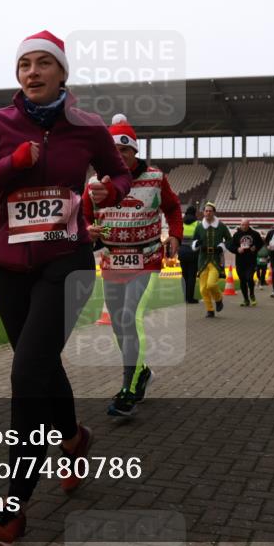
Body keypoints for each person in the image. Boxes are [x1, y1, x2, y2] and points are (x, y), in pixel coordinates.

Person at [0, 30, 132, 546]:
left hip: (66, 264)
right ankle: (74, 440)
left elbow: (119, 175)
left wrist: (106, 189)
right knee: (43, 367)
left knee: (28, 371)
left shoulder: (89, 127)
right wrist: (13, 164)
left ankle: (13, 508)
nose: (31, 72)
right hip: (10, 270)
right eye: (23, 64)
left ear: (62, 73)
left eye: (42, 63)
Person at [83, 115, 182, 417]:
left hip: (147, 257)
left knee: (131, 315)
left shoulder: (155, 177)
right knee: (117, 322)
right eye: (115, 151)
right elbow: (84, 216)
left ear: (134, 151)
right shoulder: (96, 183)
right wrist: (88, 228)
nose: (121, 156)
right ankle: (142, 371)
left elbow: (173, 207)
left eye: (125, 150)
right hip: (113, 260)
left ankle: (130, 387)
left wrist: (175, 235)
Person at [192, 201, 232, 318]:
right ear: (203, 212)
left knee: (210, 284)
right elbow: (194, 241)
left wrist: (221, 247)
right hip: (203, 259)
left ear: (214, 212)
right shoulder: (199, 227)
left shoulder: (221, 226)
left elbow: (229, 240)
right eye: (206, 211)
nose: (208, 213)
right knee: (203, 288)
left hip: (215, 258)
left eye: (210, 211)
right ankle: (210, 310)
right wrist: (196, 243)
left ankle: (218, 299)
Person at [230, 219, 262, 307]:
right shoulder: (236, 235)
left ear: (249, 225)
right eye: (242, 225)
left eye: (245, 225)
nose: (244, 226)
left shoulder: (255, 234)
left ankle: (252, 294)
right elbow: (231, 246)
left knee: (249, 278)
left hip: (251, 260)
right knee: (242, 280)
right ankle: (246, 299)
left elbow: (261, 243)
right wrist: (237, 249)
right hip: (240, 261)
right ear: (240, 225)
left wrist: (255, 247)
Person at [178, 205, 199, 303]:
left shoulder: (181, 223)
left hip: (182, 252)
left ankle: (183, 297)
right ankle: (190, 298)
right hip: (193, 253)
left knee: (184, 276)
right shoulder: (197, 224)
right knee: (191, 276)